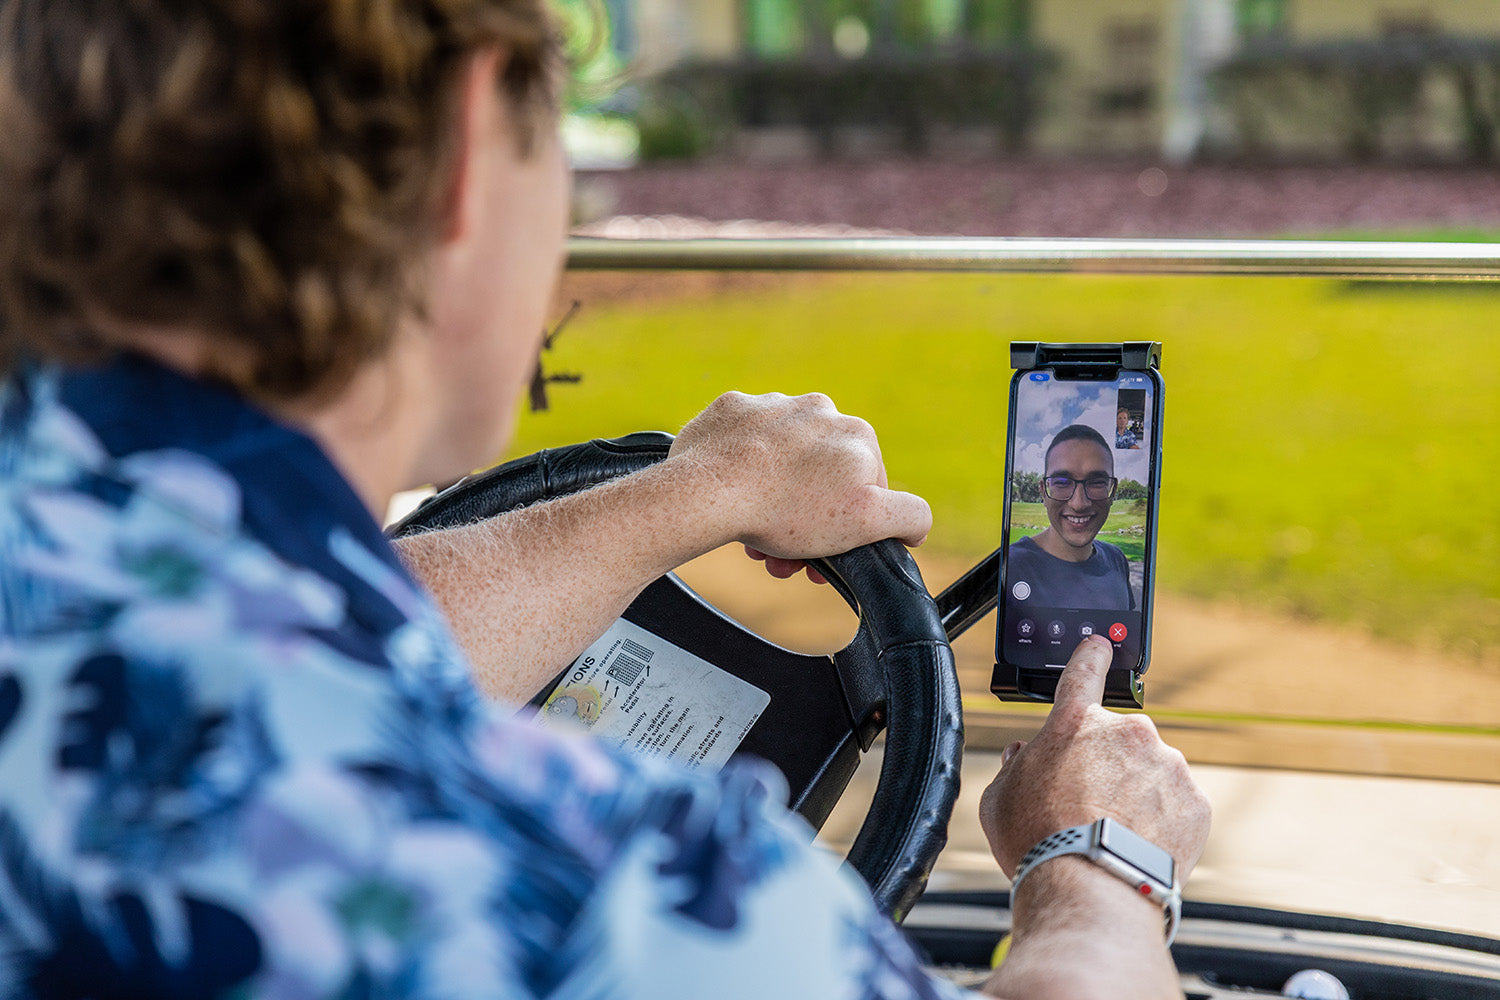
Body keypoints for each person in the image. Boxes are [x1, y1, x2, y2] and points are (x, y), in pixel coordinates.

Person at [0, 2, 1209, 998]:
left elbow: (273, 626)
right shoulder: (635, 900)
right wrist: (1097, 862)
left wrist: (694, 492)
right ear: (469, 146)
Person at [1010, 425, 1134, 611]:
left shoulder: (1116, 559)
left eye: (1096, 482)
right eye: (1062, 483)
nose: (1079, 503)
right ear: (1043, 492)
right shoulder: (1011, 565)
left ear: (1112, 491)